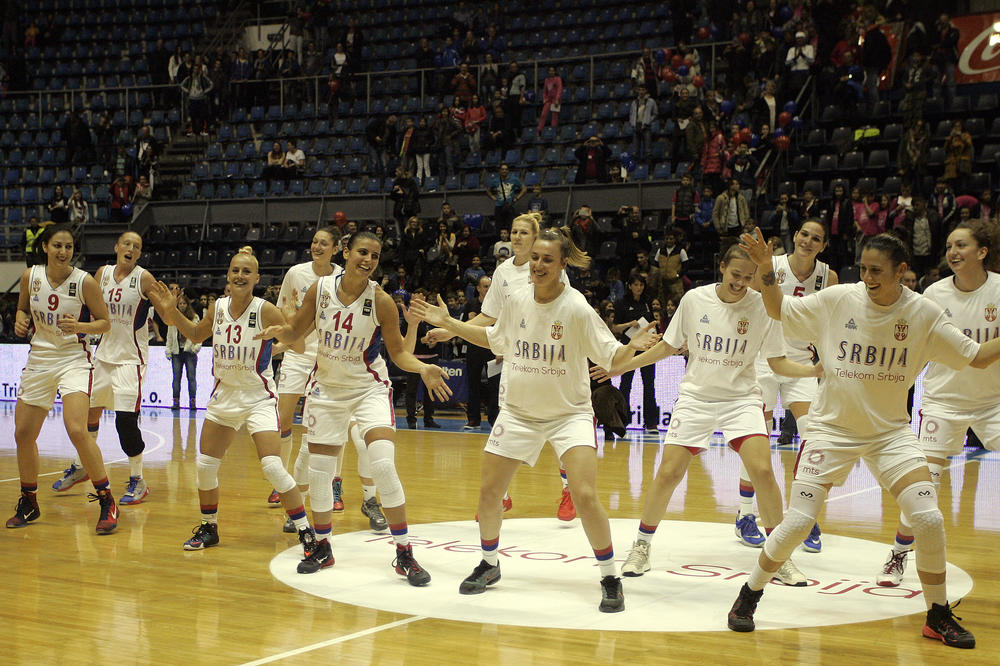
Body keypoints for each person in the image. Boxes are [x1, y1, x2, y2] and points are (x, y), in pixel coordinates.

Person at [726, 231, 1000, 648]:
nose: (867, 277)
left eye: (877, 270)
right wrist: (766, 269)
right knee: (798, 521)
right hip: (831, 430)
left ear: (901, 271)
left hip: (890, 433)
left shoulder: (924, 313)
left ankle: (937, 613)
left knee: (928, 518)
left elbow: (977, 357)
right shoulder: (839, 299)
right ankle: (750, 593)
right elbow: (779, 308)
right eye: (864, 268)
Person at [411, 227, 661, 612]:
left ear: (563, 264)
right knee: (490, 492)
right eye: (535, 258)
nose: (538, 265)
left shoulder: (577, 308)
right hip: (519, 413)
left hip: (569, 414)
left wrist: (634, 347)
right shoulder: (515, 298)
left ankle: (610, 576)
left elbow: (612, 359)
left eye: (548, 259)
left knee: (585, 494)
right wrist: (452, 325)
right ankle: (490, 564)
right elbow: (493, 338)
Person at [601, 244, 818, 585]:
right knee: (669, 473)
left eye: (748, 278)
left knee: (762, 470)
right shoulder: (694, 300)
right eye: (735, 275)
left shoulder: (764, 307)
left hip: (740, 400)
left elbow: (776, 362)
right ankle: (641, 546)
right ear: (722, 268)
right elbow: (668, 347)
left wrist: (814, 372)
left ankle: (779, 556)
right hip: (697, 398)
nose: (740, 283)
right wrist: (622, 365)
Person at [256, 232, 451, 581]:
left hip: (368, 390)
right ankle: (323, 546)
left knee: (383, 465)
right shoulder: (320, 290)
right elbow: (296, 331)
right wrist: (277, 333)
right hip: (327, 391)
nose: (368, 260)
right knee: (319, 471)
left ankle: (404, 553)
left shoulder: (381, 301)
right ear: (346, 252)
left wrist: (423, 368)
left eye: (375, 256)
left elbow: (399, 353)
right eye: (362, 252)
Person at [147, 249, 317, 557]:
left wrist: (283, 333)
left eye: (246, 271)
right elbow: (197, 334)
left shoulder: (265, 309)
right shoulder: (218, 307)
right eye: (234, 270)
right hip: (224, 396)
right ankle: (209, 527)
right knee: (205, 465)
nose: (239, 275)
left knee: (273, 467)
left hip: (258, 398)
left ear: (256, 278)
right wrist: (173, 315)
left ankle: (306, 530)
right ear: (228, 275)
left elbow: (301, 343)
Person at [874, 221, 1000, 590]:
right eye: (948, 246)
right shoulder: (934, 293)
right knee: (923, 487)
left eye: (961, 245)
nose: (952, 252)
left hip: (993, 402)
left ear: (982, 251)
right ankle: (898, 553)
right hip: (943, 402)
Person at [423, 213, 568, 519]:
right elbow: (488, 316)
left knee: (559, 432)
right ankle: (500, 495)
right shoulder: (502, 272)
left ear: (535, 236)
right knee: (504, 427)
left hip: (550, 359)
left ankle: (568, 491)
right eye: (513, 232)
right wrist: (451, 329)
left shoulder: (550, 268)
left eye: (523, 233)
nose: (516, 237)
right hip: (517, 359)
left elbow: (564, 314)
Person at [270, 228, 387, 533]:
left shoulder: (359, 285)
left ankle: (346, 490)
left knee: (350, 440)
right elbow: (290, 318)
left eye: (324, 243)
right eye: (315, 241)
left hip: (338, 364)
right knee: (290, 429)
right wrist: (283, 341)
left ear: (338, 249)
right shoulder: (300, 275)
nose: (317, 246)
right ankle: (289, 491)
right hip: (304, 357)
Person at [6, 225, 117, 534]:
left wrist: (81, 326)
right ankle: (29, 501)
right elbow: (21, 307)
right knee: (23, 434)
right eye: (57, 245)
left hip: (73, 359)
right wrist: (19, 319)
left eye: (68, 246)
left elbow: (106, 323)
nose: (63, 251)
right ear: (45, 246)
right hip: (40, 358)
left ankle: (107, 499)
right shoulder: (31, 276)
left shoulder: (84, 281)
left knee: (77, 429)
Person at [736, 220, 839, 550]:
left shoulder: (828, 277)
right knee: (757, 440)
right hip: (763, 361)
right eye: (804, 234)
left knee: (812, 437)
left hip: (801, 363)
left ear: (823, 246)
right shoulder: (771, 266)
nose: (808, 241)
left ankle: (802, 515)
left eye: (816, 238)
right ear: (795, 236)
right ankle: (744, 515)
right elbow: (746, 306)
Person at [51, 232, 167, 506]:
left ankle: (138, 479)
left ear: (139, 254)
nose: (131, 249)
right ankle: (81, 466)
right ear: (116, 247)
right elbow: (86, 301)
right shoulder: (102, 273)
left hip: (130, 360)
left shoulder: (144, 278)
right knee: (85, 418)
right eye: (126, 244)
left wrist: (168, 306)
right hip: (101, 356)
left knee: (125, 422)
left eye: (136, 247)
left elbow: (165, 315)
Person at [611, 275, 659, 434]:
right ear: (629, 286)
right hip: (628, 348)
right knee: (625, 384)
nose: (639, 287)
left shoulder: (647, 303)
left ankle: (651, 422)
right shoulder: (621, 303)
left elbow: (652, 323)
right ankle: (622, 421)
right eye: (636, 284)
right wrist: (630, 324)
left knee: (649, 385)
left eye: (641, 284)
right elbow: (615, 327)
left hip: (646, 349)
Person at [165, 288, 200, 410]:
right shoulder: (173, 317)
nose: (182, 306)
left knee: (191, 377)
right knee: (176, 378)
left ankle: (193, 401)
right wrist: (168, 350)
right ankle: (176, 401)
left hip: (189, 351)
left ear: (187, 304)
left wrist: (195, 348)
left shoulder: (194, 317)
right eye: (180, 303)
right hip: (176, 351)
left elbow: (198, 333)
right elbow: (169, 335)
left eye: (184, 303)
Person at [486, 163, 525, 230]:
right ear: (499, 171)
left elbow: (524, 189)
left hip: (510, 206)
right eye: (502, 169)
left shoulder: (514, 179)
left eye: (506, 169)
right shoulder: (495, 181)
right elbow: (488, 190)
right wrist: (492, 197)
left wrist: (517, 198)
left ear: (508, 171)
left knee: (511, 226)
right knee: (499, 226)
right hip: (499, 206)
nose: (504, 171)